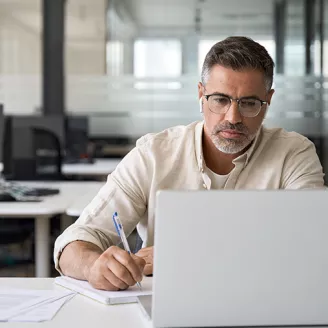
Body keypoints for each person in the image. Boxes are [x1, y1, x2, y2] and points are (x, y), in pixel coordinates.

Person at [54, 36, 324, 291]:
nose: (233, 117)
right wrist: (94, 267)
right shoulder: (154, 154)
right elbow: (73, 244)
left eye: (249, 103)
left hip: (262, 296)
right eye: (219, 99)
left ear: (268, 102)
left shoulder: (294, 154)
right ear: (200, 95)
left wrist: (183, 254)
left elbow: (312, 244)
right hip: (165, 299)